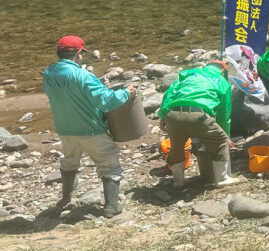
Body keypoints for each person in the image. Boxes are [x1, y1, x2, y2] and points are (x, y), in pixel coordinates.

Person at [42, 35, 135, 217]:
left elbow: (67, 94)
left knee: (69, 162)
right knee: (109, 166)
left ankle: (65, 198)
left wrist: (96, 86)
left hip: (65, 130)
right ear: (79, 53)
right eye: (83, 53)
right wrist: (126, 93)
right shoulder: (83, 75)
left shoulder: (49, 73)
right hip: (92, 130)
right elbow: (106, 102)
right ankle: (111, 207)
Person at [158, 61, 236, 189]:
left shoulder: (187, 74)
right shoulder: (222, 82)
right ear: (223, 71)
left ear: (205, 67)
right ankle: (222, 179)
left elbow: (169, 94)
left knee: (177, 146)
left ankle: (178, 182)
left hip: (173, 115)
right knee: (220, 140)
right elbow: (224, 113)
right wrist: (225, 134)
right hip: (198, 116)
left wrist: (163, 115)